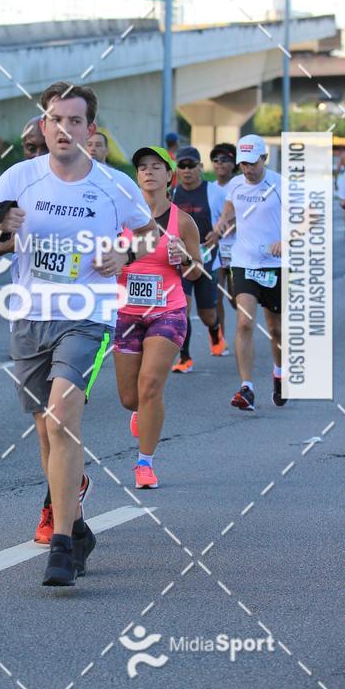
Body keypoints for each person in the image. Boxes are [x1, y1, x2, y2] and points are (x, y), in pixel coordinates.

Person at [0, 81, 156, 587]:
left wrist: (126, 255)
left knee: (61, 417)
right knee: (47, 432)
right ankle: (78, 524)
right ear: (43, 125)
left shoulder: (114, 185)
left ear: (90, 130)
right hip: (29, 318)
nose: (64, 128)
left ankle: (63, 543)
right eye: (56, 119)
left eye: (75, 121)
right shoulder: (19, 177)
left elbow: (149, 231)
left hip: (88, 315)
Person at [114, 147, 200, 489]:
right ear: (137, 177)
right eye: (142, 167)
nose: (148, 172)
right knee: (130, 398)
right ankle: (141, 412)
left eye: (156, 167)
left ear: (169, 177)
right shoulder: (119, 218)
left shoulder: (184, 222)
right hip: (126, 312)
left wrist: (184, 261)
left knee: (150, 385)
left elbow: (196, 273)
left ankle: (144, 463)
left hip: (169, 311)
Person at [213, 134, 285, 410]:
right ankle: (247, 388)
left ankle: (279, 374)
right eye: (243, 164)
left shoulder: (280, 184)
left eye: (253, 164)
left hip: (275, 265)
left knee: (275, 329)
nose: (247, 170)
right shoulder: (235, 184)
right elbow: (230, 208)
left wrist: (287, 240)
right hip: (244, 262)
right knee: (244, 322)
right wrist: (222, 222)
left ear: (264, 159)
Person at [171, 146, 227, 372]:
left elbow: (233, 220)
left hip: (206, 261)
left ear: (200, 167)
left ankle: (215, 331)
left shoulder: (214, 192)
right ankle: (184, 358)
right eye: (181, 166)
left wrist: (219, 232)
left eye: (191, 166)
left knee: (207, 314)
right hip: (180, 261)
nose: (186, 171)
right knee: (181, 309)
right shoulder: (173, 193)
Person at [206, 143, 238, 339]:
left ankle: (245, 332)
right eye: (216, 160)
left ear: (234, 163)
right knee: (216, 297)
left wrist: (226, 227)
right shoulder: (209, 188)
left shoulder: (241, 186)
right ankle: (220, 341)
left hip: (238, 250)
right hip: (216, 250)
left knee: (236, 299)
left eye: (224, 160)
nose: (219, 164)